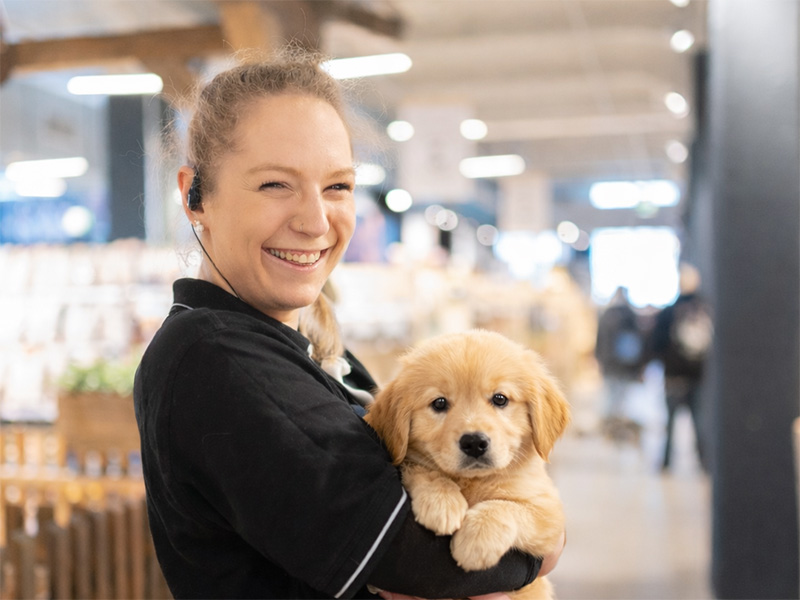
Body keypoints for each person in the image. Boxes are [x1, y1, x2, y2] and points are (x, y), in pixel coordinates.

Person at [133, 50, 564, 600]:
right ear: (195, 195)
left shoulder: (299, 349)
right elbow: (425, 561)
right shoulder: (215, 357)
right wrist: (547, 540)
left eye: (337, 186)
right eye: (274, 185)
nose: (315, 221)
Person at [651, 263, 713, 471]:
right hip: (697, 375)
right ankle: (704, 463)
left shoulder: (669, 312)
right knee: (698, 422)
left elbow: (657, 343)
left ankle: (667, 463)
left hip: (674, 377)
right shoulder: (706, 310)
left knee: (670, 423)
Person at [594, 287, 647, 441]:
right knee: (622, 400)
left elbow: (600, 340)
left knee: (611, 399)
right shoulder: (631, 316)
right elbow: (639, 343)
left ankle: (611, 431)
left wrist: (600, 360)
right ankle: (618, 431)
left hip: (610, 366)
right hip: (626, 367)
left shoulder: (607, 315)